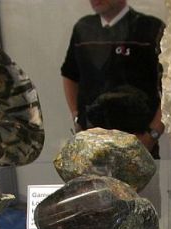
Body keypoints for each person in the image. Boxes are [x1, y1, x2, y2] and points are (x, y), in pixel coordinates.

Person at [61, 0, 165, 157]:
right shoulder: (83, 28)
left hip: (138, 143)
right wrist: (77, 117)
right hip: (91, 145)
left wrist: (152, 135)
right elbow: (70, 75)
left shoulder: (150, 28)